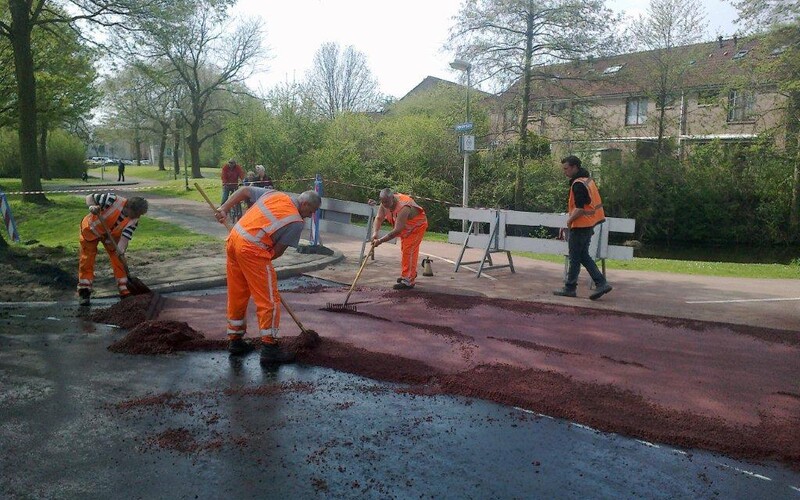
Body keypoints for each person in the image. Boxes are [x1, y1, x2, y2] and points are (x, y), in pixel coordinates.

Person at [215, 186, 322, 365]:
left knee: (238, 294)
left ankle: (235, 341)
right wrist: (259, 263)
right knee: (269, 300)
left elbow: (245, 190)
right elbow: (277, 252)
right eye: (310, 211)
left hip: (234, 240)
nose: (309, 215)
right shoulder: (296, 222)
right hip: (252, 250)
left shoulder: (275, 195)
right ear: (303, 204)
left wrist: (224, 208)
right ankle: (270, 349)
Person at [553, 155, 613, 300]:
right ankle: (601, 282)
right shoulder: (587, 180)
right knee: (583, 256)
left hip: (580, 225)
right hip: (589, 224)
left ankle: (570, 288)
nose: (564, 172)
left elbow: (579, 208)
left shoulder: (578, 184)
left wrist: (569, 221)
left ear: (575, 167)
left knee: (575, 257)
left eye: (566, 168)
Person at [77, 193, 149, 306]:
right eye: (136, 214)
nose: (138, 217)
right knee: (87, 259)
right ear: (129, 208)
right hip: (91, 230)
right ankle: (84, 291)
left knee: (118, 259)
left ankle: (124, 290)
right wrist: (92, 206)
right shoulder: (112, 199)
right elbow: (89, 197)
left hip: (109, 236)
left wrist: (120, 250)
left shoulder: (133, 221)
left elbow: (125, 238)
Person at [370, 188, 428, 290]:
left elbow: (397, 230)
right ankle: (409, 273)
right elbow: (379, 218)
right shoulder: (384, 204)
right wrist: (375, 233)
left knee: (408, 251)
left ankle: (408, 280)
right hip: (406, 229)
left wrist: (380, 241)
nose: (384, 204)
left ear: (392, 198)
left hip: (417, 227)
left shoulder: (403, 207)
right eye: (382, 202)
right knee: (406, 251)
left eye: (386, 202)